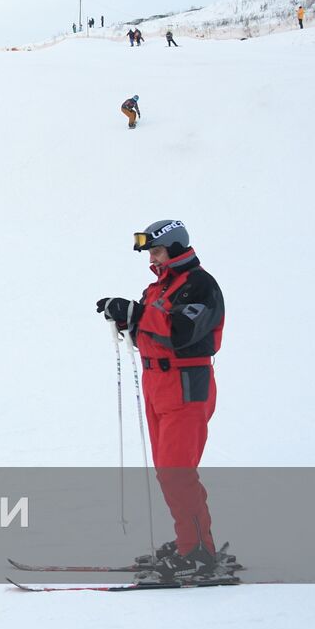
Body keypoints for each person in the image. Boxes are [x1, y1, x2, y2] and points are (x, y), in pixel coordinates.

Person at [96, 221, 226, 583]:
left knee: (177, 471)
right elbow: (150, 333)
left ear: (174, 247)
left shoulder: (199, 285)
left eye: (155, 251)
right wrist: (126, 318)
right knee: (167, 472)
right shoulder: (160, 286)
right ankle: (190, 542)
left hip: (186, 383)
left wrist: (137, 314)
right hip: (158, 383)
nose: (151, 258)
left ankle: (199, 553)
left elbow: (182, 331)